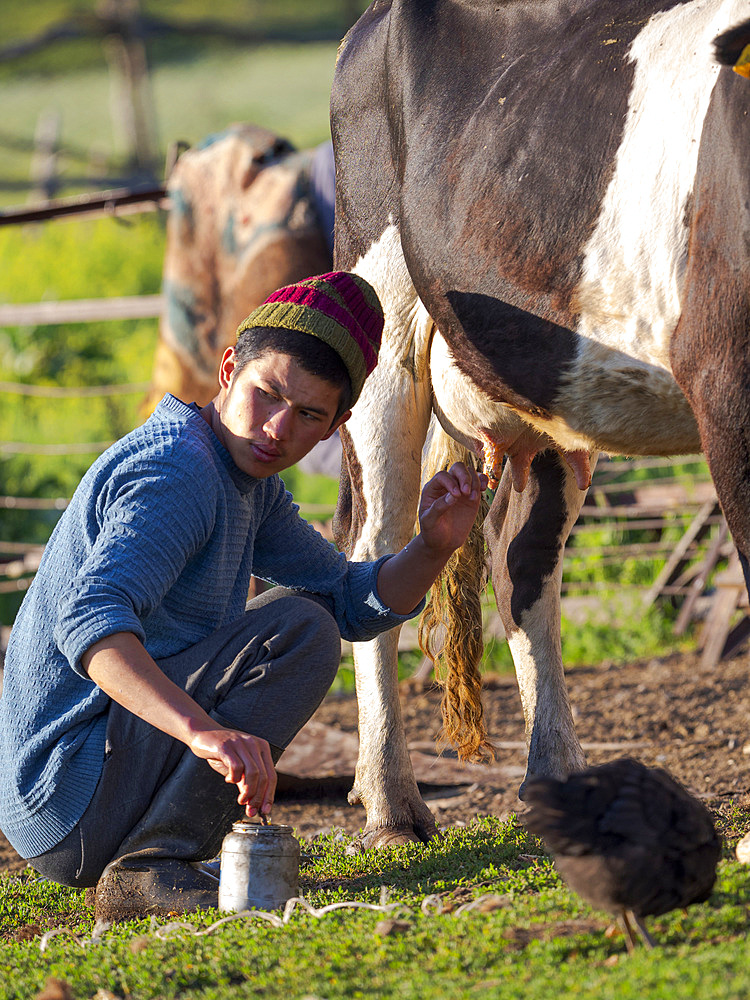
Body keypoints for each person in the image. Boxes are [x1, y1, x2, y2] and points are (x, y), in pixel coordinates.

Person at [0, 271, 487, 922]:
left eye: (308, 415)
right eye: (267, 395)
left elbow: (348, 599)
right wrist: (206, 734)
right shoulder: (181, 473)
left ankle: (155, 857)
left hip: (76, 790)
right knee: (300, 631)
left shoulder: (247, 482)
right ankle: (153, 867)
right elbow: (91, 631)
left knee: (310, 619)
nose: (277, 430)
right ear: (230, 368)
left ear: (337, 427)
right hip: (66, 792)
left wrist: (432, 546)